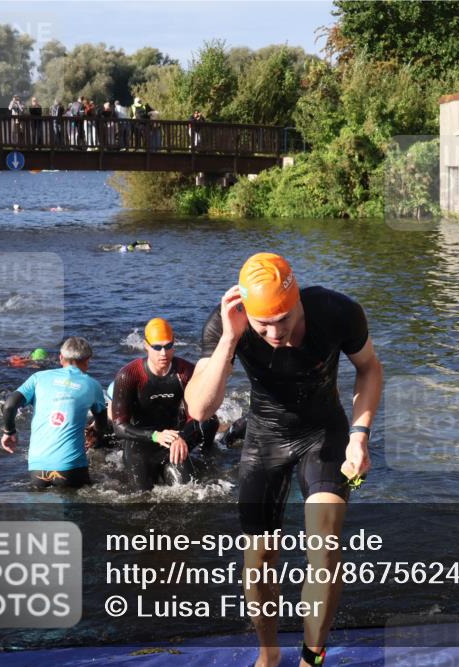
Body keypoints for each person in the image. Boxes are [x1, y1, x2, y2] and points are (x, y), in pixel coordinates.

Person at [185, 253, 383, 667]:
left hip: (323, 433)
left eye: (285, 319)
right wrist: (229, 339)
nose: (276, 332)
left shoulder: (336, 311)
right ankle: (268, 653)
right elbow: (200, 410)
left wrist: (360, 435)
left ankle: (312, 657)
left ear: (298, 301)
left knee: (324, 549)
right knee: (259, 558)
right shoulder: (226, 323)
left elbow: (369, 369)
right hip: (264, 438)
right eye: (264, 324)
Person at [112, 317, 217, 492]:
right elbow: (119, 427)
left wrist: (182, 436)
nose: (163, 353)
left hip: (174, 439)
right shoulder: (129, 375)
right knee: (141, 499)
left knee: (191, 492)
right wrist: (155, 436)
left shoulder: (185, 372)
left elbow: (200, 414)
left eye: (168, 346)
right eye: (157, 347)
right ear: (146, 346)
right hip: (140, 442)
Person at [1, 337, 108, 490]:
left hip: (37, 468)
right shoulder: (92, 385)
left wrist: (9, 431)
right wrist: (95, 439)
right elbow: (102, 425)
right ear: (87, 360)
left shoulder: (38, 378)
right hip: (71, 468)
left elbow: (9, 405)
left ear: (60, 358)